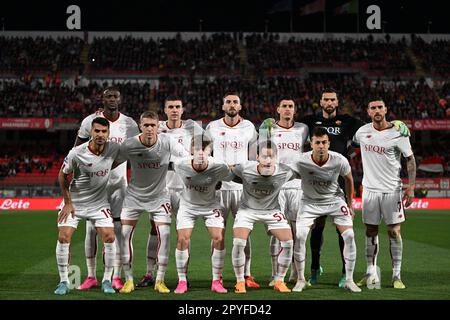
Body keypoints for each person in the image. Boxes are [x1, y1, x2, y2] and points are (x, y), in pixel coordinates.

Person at [296, 87, 409, 287]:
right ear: (320, 102)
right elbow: (289, 126)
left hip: (339, 179)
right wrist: (268, 124)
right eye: (326, 100)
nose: (329, 103)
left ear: (337, 103)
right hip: (315, 181)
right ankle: (314, 268)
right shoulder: (309, 121)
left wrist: (397, 123)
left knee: (343, 230)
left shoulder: (349, 122)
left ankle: (343, 273)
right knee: (317, 228)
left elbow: (375, 127)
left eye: (333, 100)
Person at [116, 111, 189, 294]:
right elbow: (112, 161)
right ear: (140, 126)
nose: (149, 128)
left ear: (158, 126)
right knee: (124, 235)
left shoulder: (167, 141)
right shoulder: (130, 144)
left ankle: (160, 280)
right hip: (134, 196)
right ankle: (129, 280)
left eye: (153, 125)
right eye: (146, 125)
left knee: (164, 235)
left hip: (159, 197)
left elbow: (186, 157)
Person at [75, 87, 139, 291]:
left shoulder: (129, 123)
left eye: (115, 96)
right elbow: (76, 150)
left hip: (118, 184)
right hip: (93, 186)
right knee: (91, 229)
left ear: (120, 99)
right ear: (102, 99)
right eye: (108, 96)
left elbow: (136, 151)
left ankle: (116, 276)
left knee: (119, 230)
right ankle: (91, 275)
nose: (112, 99)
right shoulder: (89, 121)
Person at [137, 96, 204, 288]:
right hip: (161, 187)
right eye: (171, 107)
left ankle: (184, 276)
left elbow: (203, 152)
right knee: (154, 229)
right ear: (165, 110)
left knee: (184, 233)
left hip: (185, 188)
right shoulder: (157, 127)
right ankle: (150, 273)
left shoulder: (193, 128)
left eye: (178, 107)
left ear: (182, 110)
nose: (174, 110)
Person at [353, 98, 416, 290]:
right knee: (370, 231)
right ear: (368, 111)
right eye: (373, 108)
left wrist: (411, 187)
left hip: (391, 190)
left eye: (380, 107)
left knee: (394, 231)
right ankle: (370, 272)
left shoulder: (399, 132)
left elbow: (410, 160)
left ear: (386, 109)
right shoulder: (362, 131)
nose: (377, 110)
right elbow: (347, 140)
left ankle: (396, 275)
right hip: (370, 190)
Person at [289, 127, 361, 293]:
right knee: (299, 236)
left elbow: (349, 180)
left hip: (334, 200)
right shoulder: (300, 160)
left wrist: (350, 205)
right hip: (309, 202)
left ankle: (349, 280)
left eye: (323, 142)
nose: (320, 146)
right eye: (317, 142)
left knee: (349, 235)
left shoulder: (339, 159)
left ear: (328, 143)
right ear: (311, 144)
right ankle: (300, 279)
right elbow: (287, 175)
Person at [54, 117, 121, 295]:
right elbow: (62, 175)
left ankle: (107, 280)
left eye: (104, 131)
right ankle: (63, 282)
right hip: (75, 202)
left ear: (108, 134)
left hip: (99, 203)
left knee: (109, 236)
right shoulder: (77, 152)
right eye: (97, 131)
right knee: (63, 237)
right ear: (91, 132)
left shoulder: (114, 148)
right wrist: (67, 202)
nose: (100, 134)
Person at [205, 92, 260, 289]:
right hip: (219, 190)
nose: (231, 104)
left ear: (240, 106)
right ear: (223, 106)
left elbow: (254, 157)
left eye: (235, 102)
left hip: (242, 188)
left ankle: (247, 274)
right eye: (228, 101)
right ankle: (216, 277)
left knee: (244, 233)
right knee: (217, 234)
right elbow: (206, 154)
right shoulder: (212, 127)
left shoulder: (249, 127)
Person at [231, 140, 294, 294]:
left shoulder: (285, 172)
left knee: (288, 243)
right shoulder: (245, 168)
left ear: (276, 158)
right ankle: (240, 281)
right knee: (239, 242)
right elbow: (229, 169)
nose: (268, 160)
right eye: (264, 157)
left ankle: (279, 280)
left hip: (272, 211)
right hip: (247, 210)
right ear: (257, 157)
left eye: (271, 157)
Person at [172, 134, 231, 294]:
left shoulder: (220, 166)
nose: (200, 152)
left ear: (210, 151)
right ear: (191, 150)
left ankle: (216, 280)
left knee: (219, 238)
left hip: (210, 205)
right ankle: (182, 280)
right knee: (183, 239)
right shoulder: (180, 164)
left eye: (204, 149)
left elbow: (229, 176)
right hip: (187, 206)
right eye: (197, 148)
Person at [259, 98, 309, 286]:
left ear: (294, 110)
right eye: (284, 106)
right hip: (276, 187)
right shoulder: (269, 129)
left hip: (297, 186)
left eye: (291, 106)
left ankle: (296, 274)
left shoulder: (303, 129)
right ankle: (275, 274)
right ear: (277, 109)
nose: (288, 109)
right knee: (276, 232)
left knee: (297, 233)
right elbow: (261, 155)